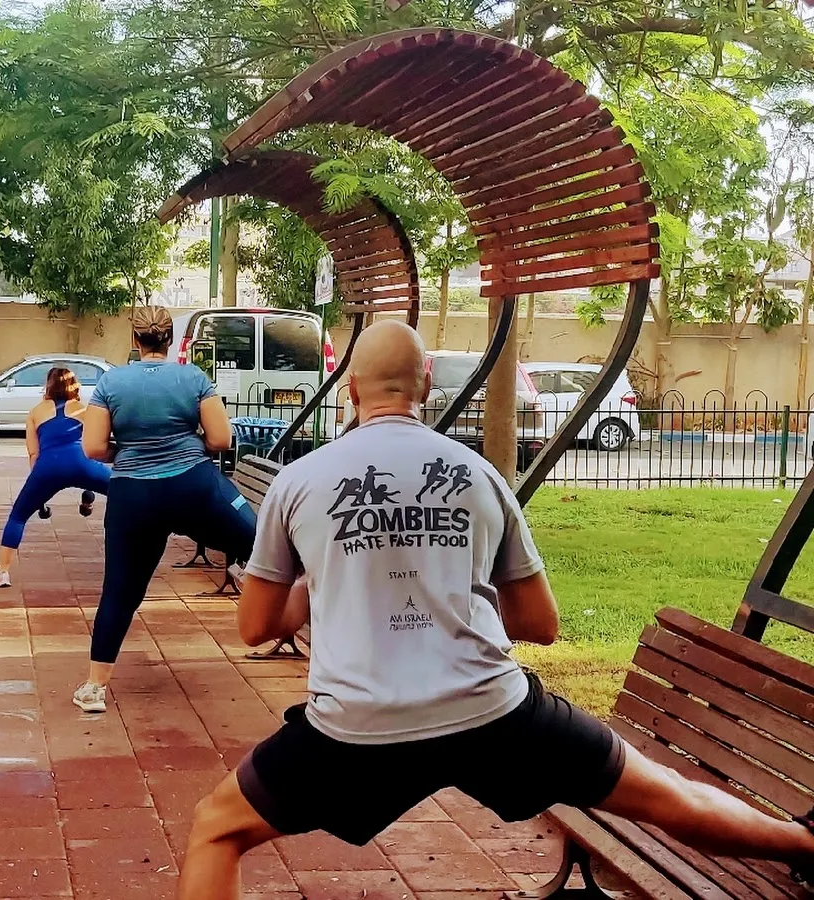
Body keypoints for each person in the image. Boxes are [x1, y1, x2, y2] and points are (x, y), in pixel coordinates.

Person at [177, 320, 814, 900]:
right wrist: (452, 610)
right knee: (665, 795)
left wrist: (324, 583)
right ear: (426, 387)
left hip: (357, 726)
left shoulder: (299, 481)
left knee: (215, 829)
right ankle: (804, 844)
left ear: (349, 389)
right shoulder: (480, 475)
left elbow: (257, 627)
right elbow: (540, 624)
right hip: (492, 711)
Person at [75, 306, 257, 713]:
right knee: (261, 541)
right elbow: (221, 439)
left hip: (133, 497)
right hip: (193, 486)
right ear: (171, 340)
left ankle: (94, 688)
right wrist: (183, 445)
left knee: (120, 592)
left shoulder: (111, 382)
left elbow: (94, 448)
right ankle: (252, 575)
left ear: (134, 340)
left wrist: (131, 451)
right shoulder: (193, 377)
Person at [0, 367, 110, 589]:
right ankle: (89, 497)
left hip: (48, 468)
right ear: (75, 386)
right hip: (82, 464)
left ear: (48, 386)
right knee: (126, 490)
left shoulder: (36, 412)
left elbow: (33, 453)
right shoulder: (83, 409)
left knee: (18, 516)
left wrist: (37, 489)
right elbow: (95, 446)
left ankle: (2, 572)